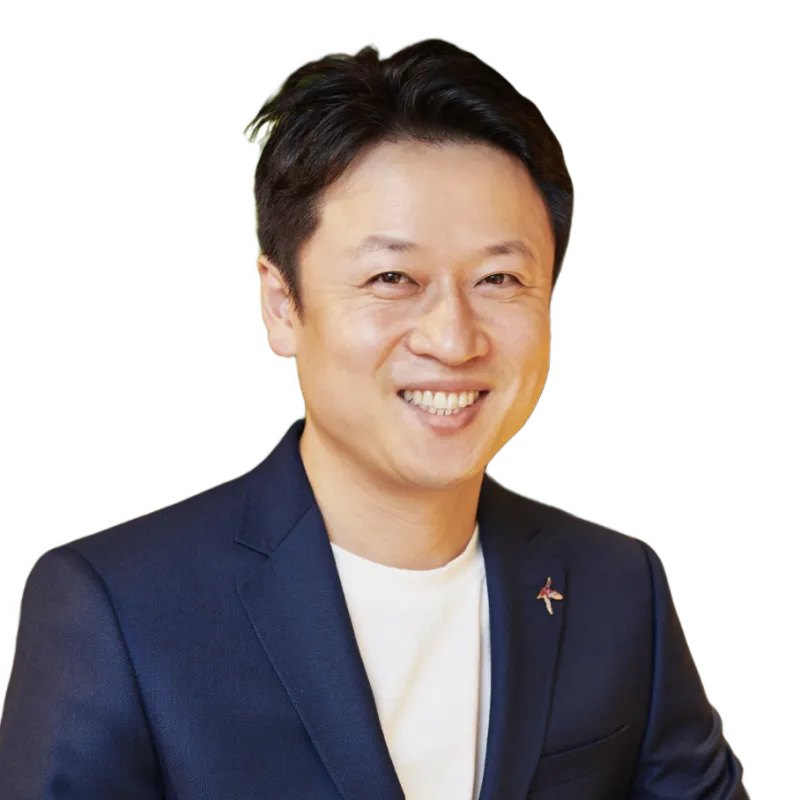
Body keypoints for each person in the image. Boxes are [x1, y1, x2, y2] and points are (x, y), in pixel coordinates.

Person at [0, 38, 748, 799]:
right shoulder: (116, 606)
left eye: (499, 278)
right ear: (280, 306)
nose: (453, 339)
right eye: (393, 277)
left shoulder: (618, 586)